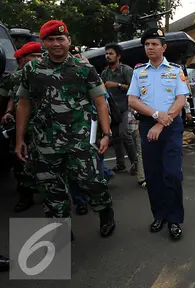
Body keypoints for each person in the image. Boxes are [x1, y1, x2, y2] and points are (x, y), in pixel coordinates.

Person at [15, 20, 115, 238]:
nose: (56, 44)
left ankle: (105, 211)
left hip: (79, 140)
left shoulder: (84, 69)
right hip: (44, 142)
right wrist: (19, 139)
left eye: (60, 39)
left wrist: (106, 134)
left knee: (91, 182)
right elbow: (23, 103)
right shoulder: (32, 70)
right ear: (43, 43)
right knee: (51, 189)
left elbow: (100, 101)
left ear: (68, 40)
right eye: (50, 40)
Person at [128, 27, 189, 240]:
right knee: (153, 175)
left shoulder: (175, 70)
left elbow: (181, 100)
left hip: (171, 127)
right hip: (147, 125)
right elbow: (132, 100)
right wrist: (155, 115)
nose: (150, 47)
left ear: (164, 47)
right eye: (147, 44)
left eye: (154, 44)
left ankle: (174, 219)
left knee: (171, 173)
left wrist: (162, 123)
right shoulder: (138, 72)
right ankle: (159, 214)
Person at [1, 42, 42, 213]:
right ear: (21, 60)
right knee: (21, 164)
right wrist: (8, 112)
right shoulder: (12, 78)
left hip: (45, 128)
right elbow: (7, 99)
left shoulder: (47, 76)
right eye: (33, 56)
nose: (38, 59)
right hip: (22, 129)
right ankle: (26, 196)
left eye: (40, 56)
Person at [101, 43, 138, 175]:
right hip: (112, 110)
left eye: (111, 53)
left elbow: (134, 88)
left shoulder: (126, 70)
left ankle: (136, 163)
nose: (108, 56)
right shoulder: (105, 72)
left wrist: (117, 85)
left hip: (126, 108)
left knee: (124, 134)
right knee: (115, 137)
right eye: (106, 54)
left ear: (118, 56)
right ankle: (120, 164)